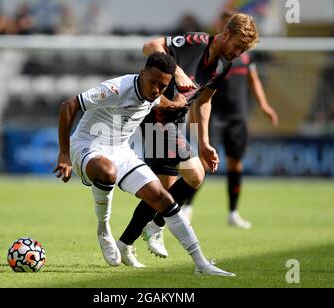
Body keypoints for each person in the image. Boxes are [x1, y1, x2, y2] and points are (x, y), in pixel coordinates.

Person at [53, 52, 235, 276]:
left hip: (120, 151)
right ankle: (103, 230)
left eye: (163, 85)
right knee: (107, 171)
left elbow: (161, 101)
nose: (157, 89)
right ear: (142, 74)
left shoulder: (154, 94)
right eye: (154, 82)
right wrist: (64, 154)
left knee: (163, 198)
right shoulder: (117, 88)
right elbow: (68, 106)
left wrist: (175, 103)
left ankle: (201, 264)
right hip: (87, 146)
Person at [116, 13, 259, 263]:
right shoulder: (196, 42)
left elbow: (203, 102)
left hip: (175, 122)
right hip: (156, 117)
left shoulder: (224, 65)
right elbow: (149, 46)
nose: (238, 52)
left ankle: (125, 243)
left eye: (243, 49)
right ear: (225, 35)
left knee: (163, 192)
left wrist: (204, 143)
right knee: (195, 175)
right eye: (237, 46)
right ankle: (156, 227)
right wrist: (178, 72)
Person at [185, 9, 279, 230]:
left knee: (236, 162)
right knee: (204, 161)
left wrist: (264, 105)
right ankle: (188, 206)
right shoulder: (211, 54)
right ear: (223, 29)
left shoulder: (245, 55)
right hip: (214, 114)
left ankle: (233, 213)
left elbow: (254, 80)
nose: (238, 50)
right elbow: (199, 92)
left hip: (238, 114)